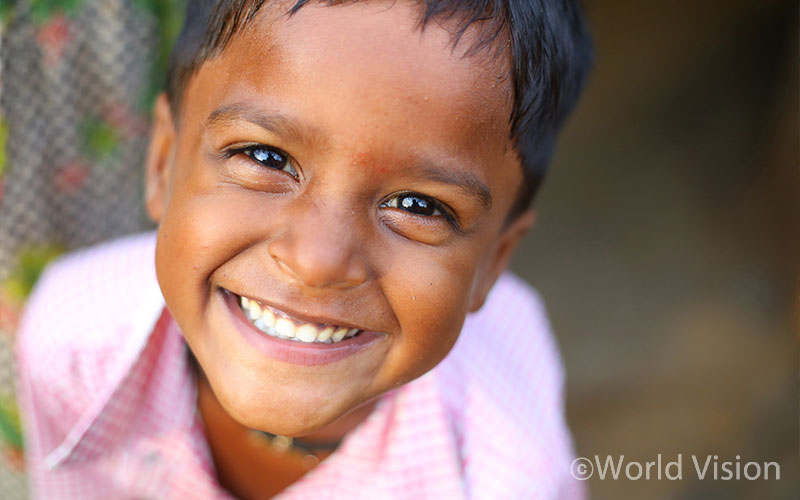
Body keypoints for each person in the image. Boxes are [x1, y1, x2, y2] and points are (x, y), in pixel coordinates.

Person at [14, 0, 592, 498]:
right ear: (164, 164)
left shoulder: (506, 476)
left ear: (494, 262)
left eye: (418, 206)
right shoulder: (72, 345)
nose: (316, 263)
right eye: (265, 158)